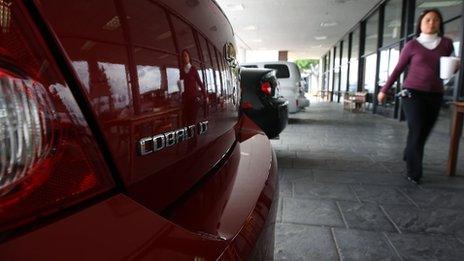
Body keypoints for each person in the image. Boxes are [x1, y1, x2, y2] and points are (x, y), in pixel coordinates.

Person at [378, 9, 458, 184]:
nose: (432, 23)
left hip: (435, 94)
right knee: (417, 129)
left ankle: (409, 152)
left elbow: (451, 66)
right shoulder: (412, 45)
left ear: (440, 24)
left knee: (423, 132)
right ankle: (414, 172)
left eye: (436, 20)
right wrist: (384, 89)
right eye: (428, 19)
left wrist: (455, 67)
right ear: (421, 23)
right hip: (412, 93)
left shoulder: (446, 44)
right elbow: (398, 69)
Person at [179, 49, 206, 124]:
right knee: (185, 122)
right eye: (183, 56)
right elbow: (181, 85)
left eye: (185, 56)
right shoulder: (182, 71)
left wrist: (205, 95)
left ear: (189, 57)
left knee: (192, 122)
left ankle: (194, 136)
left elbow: (200, 83)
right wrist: (181, 96)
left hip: (193, 100)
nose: (184, 58)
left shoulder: (193, 69)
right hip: (185, 101)